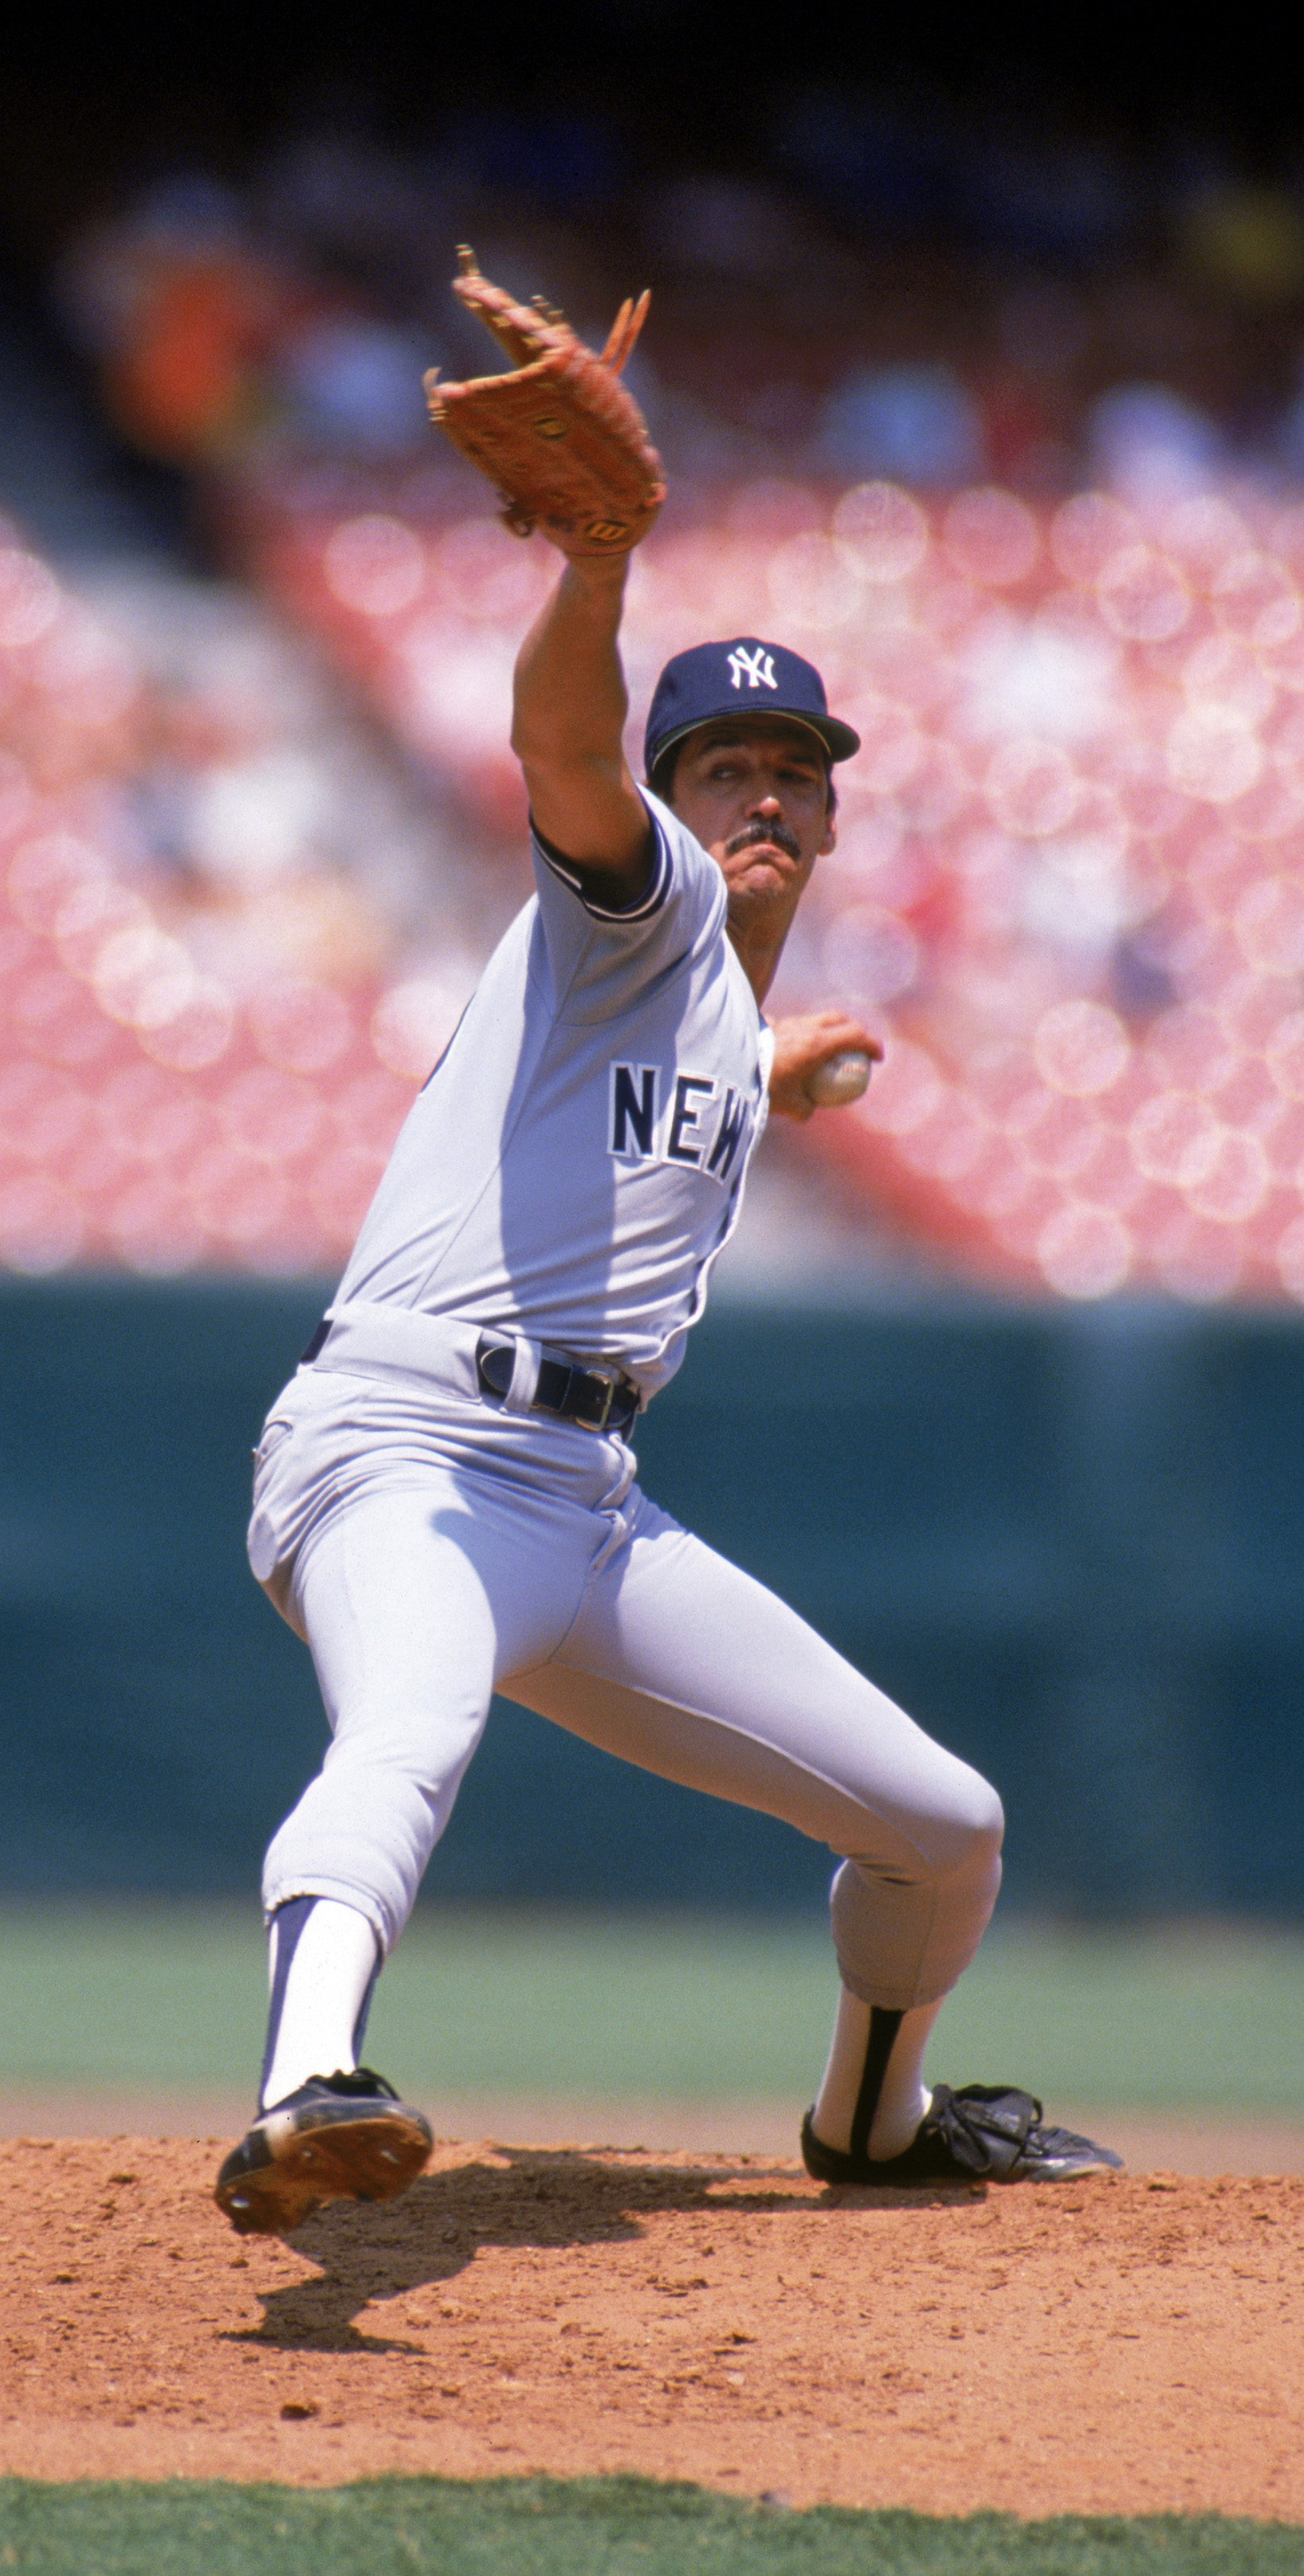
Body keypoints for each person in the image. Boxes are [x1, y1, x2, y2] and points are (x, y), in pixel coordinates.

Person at [215, 549, 1120, 2232]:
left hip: (584, 1507)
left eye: (796, 770)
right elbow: (559, 744)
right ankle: (304, 2090)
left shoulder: (713, 1006)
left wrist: (768, 1077)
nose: (765, 794)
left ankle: (874, 2120)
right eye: (723, 767)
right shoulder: (644, 897)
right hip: (405, 1448)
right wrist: (598, 560)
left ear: (839, 820)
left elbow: (655, 1090)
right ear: (667, 795)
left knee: (945, 1825)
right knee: (412, 1727)